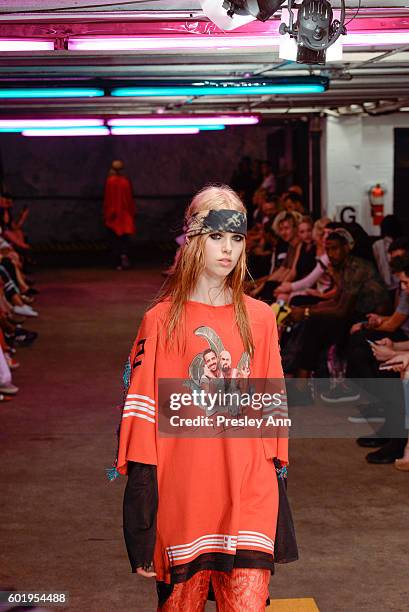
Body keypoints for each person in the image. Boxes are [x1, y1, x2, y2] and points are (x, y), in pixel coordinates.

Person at [109, 185, 296, 611]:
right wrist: (140, 514)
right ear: (194, 239)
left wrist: (281, 497)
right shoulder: (160, 321)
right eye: (216, 237)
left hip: (249, 492)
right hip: (184, 498)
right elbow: (141, 416)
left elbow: (272, 413)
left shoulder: (262, 318)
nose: (227, 249)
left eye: (236, 238)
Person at [103, 160, 136, 270]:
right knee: (124, 240)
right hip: (125, 216)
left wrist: (107, 214)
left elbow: (108, 200)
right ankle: (124, 258)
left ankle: (117, 262)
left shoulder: (110, 181)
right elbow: (129, 200)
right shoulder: (125, 182)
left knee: (115, 241)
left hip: (114, 216)